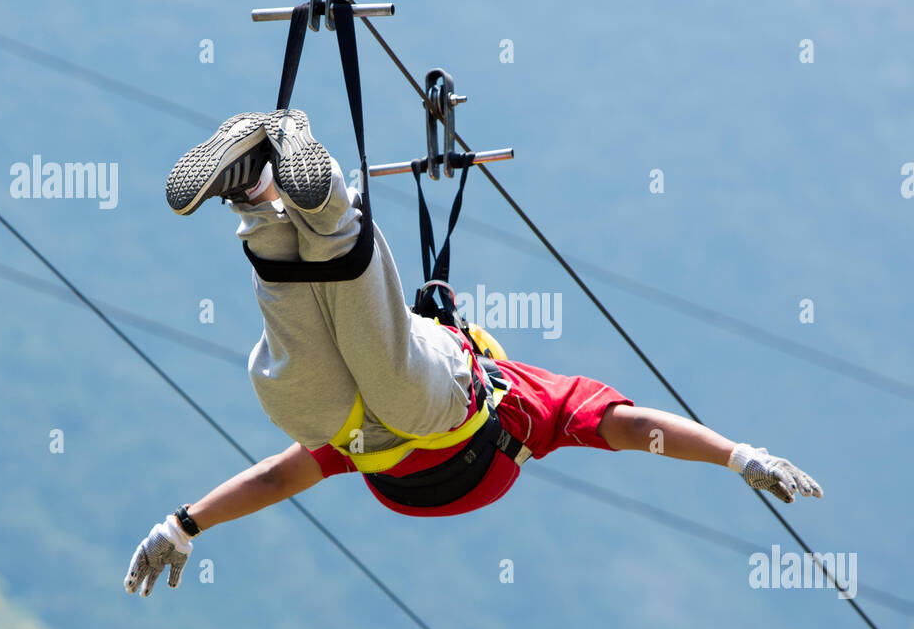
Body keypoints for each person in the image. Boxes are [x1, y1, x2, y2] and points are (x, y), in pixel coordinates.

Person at [125, 111, 822, 597]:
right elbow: (638, 429)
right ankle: (310, 190)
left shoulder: (364, 445)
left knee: (296, 378)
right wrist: (735, 453)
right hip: (433, 411)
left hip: (353, 430)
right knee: (372, 361)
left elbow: (276, 480)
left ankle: (255, 191)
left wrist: (184, 524)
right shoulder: (531, 400)